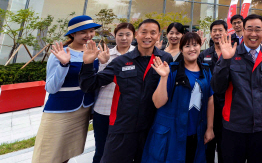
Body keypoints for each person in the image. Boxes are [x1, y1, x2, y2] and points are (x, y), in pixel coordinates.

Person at [79, 19, 173, 163]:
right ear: (136, 34)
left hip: (151, 128)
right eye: (144, 32)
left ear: (158, 35)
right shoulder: (121, 61)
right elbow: (89, 85)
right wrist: (87, 64)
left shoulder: (165, 58)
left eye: (153, 33)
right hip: (123, 127)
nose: (148, 36)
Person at [211, 14, 262, 163]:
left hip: (261, 129)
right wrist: (225, 61)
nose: (253, 34)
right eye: (249, 29)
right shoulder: (230, 53)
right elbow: (217, 88)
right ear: (243, 31)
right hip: (233, 128)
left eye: (258, 29)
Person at [32, 15, 102, 163]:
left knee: (67, 152)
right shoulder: (60, 53)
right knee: (48, 154)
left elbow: (94, 82)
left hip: (83, 110)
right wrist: (64, 65)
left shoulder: (94, 51)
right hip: (59, 110)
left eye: (91, 31)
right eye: (83, 32)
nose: (88, 35)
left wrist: (94, 109)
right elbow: (50, 87)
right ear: (73, 34)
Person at [142, 33, 214, 163]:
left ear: (200, 46)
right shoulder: (172, 70)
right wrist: (164, 77)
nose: (192, 49)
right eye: (187, 46)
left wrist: (209, 128)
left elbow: (210, 99)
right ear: (181, 50)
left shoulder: (206, 70)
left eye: (195, 45)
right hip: (172, 132)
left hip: (197, 131)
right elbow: (158, 103)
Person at [92, 23, 136, 163]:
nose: (124, 38)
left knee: (124, 150)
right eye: (120, 35)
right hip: (104, 109)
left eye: (128, 34)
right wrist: (103, 64)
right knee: (101, 149)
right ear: (114, 36)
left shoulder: (138, 55)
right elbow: (97, 82)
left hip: (127, 111)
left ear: (133, 36)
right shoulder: (106, 54)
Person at [200, 20, 228, 163]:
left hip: (227, 106)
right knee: (207, 145)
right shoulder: (204, 54)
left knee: (225, 146)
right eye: (214, 31)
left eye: (220, 30)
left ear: (226, 33)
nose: (217, 33)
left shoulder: (232, 53)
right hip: (207, 106)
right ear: (211, 34)